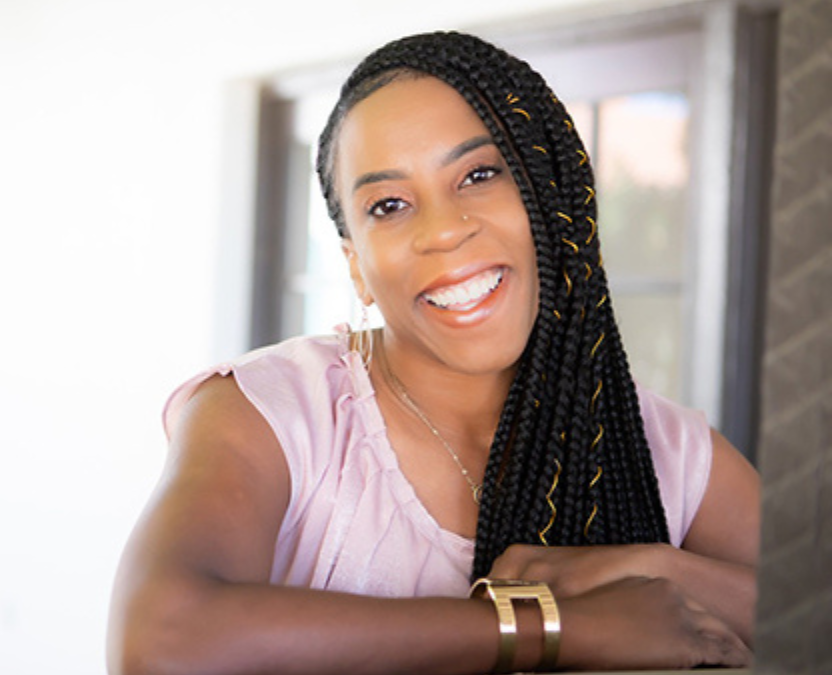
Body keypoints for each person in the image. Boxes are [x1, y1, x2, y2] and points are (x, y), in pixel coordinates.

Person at [108, 31, 759, 675]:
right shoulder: (272, 414)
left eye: (478, 175)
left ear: (550, 195)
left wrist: (660, 570)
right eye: (388, 205)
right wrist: (559, 625)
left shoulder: (668, 451)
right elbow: (162, 642)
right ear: (356, 267)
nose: (444, 231)